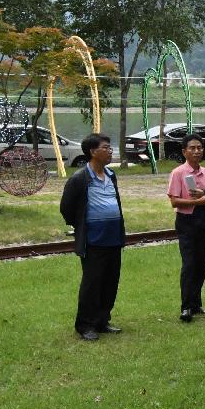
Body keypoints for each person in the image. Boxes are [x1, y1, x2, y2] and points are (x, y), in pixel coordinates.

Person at [59, 133, 125, 341]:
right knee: (92, 284)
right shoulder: (79, 178)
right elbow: (67, 209)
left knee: (110, 283)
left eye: (110, 147)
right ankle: (85, 325)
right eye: (106, 147)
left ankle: (102, 321)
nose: (110, 150)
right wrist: (81, 225)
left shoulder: (111, 175)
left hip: (113, 237)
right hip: (94, 240)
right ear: (93, 152)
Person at [167, 134, 205, 323]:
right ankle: (186, 307)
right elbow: (174, 201)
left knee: (202, 264)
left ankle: (197, 304)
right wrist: (196, 201)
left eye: (199, 147)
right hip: (187, 222)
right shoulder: (178, 173)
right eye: (192, 148)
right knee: (189, 264)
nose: (197, 151)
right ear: (184, 152)